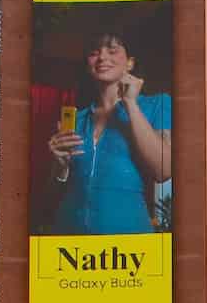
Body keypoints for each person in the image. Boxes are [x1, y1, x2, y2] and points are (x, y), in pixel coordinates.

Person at [47, 29, 172, 236]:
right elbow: (53, 196)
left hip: (129, 245)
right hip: (70, 242)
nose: (103, 57)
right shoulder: (75, 120)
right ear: (88, 64)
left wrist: (130, 103)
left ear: (130, 63)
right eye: (94, 52)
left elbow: (163, 170)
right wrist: (60, 169)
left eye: (112, 50)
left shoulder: (156, 105)